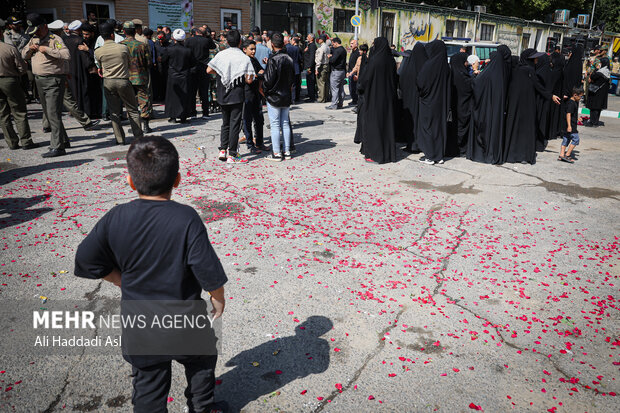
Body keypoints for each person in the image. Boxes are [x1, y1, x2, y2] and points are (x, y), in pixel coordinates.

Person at [74, 136, 228, 413]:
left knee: (148, 386)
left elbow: (86, 260)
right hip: (185, 321)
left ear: (131, 182)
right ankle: (202, 408)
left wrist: (122, 280)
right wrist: (218, 298)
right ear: (177, 179)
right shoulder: (186, 218)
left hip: (141, 325)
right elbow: (206, 267)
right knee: (201, 363)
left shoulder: (116, 217)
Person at [22, 13, 71, 158]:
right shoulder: (34, 38)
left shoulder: (55, 39)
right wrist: (30, 49)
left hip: (53, 80)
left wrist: (47, 50)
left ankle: (57, 147)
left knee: (53, 113)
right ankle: (63, 140)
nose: (35, 33)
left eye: (37, 29)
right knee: (49, 113)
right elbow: (24, 55)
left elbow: (66, 54)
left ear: (44, 26)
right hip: (39, 80)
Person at [503, 50, 560, 165]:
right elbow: (538, 87)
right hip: (527, 107)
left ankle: (510, 154)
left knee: (513, 128)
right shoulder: (529, 71)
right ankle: (523, 156)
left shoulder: (515, 69)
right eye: (535, 59)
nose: (536, 61)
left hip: (514, 107)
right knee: (525, 131)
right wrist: (551, 96)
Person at [207, 30, 255, 163]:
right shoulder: (244, 57)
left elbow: (209, 70)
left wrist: (223, 72)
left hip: (222, 92)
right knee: (235, 123)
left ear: (227, 41)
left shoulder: (221, 54)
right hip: (237, 93)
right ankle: (232, 154)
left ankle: (222, 149)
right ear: (240, 42)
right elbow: (249, 80)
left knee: (225, 122)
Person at [95, 22, 143, 144]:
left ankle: (120, 139)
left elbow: (99, 67)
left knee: (114, 112)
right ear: (112, 35)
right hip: (123, 81)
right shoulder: (123, 48)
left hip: (108, 82)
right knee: (132, 110)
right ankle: (138, 137)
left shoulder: (98, 51)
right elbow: (129, 64)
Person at [467, 45, 512, 164]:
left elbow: (476, 85)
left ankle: (482, 154)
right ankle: (492, 154)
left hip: (485, 108)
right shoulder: (502, 73)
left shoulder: (488, 72)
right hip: (497, 109)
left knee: (484, 129)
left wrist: (475, 75)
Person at [356, 37, 397, 164]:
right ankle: (387, 154)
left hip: (374, 98)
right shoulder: (391, 61)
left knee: (374, 126)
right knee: (386, 126)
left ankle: (374, 155)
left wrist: (360, 88)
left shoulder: (374, 61)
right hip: (388, 99)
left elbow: (364, 81)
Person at [416, 39, 450, 165]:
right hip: (442, 103)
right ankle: (439, 155)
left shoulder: (429, 65)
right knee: (439, 128)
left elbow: (420, 82)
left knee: (428, 127)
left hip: (429, 102)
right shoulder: (445, 66)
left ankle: (430, 156)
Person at [0, 39, 37, 150]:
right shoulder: (9, 48)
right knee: (19, 111)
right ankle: (26, 141)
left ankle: (12, 142)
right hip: (9, 80)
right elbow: (21, 67)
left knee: (2, 114)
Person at [263, 32, 295, 161]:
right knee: (285, 123)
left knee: (275, 124)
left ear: (272, 44)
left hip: (274, 95)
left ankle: (276, 152)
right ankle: (287, 151)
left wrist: (265, 90)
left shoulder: (273, 59)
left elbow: (268, 80)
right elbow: (293, 79)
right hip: (286, 94)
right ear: (283, 43)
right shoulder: (289, 58)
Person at [121, 21, 152, 133]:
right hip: (140, 77)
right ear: (135, 31)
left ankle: (134, 126)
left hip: (126, 78)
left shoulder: (120, 45)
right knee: (144, 101)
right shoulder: (142, 45)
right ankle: (146, 126)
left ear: (124, 31)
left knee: (129, 102)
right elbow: (148, 62)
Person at [162, 29, 194, 124]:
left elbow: (164, 61)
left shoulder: (169, 49)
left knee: (172, 96)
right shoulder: (188, 51)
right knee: (184, 95)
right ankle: (183, 116)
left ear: (173, 38)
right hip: (184, 75)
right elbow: (193, 63)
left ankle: (172, 117)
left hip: (173, 75)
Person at [185, 27, 216, 118]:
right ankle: (205, 113)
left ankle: (193, 112)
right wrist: (208, 36)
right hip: (204, 68)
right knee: (204, 91)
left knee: (192, 91)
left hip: (192, 67)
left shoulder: (189, 40)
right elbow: (213, 46)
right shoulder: (206, 40)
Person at [241, 39, 265, 153]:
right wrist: (257, 75)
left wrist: (258, 75)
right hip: (247, 94)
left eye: (255, 49)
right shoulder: (244, 61)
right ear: (244, 49)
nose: (254, 51)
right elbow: (249, 78)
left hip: (256, 93)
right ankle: (250, 145)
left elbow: (261, 71)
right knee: (247, 120)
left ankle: (259, 142)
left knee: (259, 119)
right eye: (251, 49)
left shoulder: (254, 59)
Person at [449, 51, 473, 157]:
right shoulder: (464, 76)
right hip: (463, 107)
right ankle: (461, 149)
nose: (467, 63)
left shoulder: (450, 75)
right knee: (461, 128)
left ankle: (452, 148)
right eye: (465, 61)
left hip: (453, 107)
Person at [559, 87, 584, 163]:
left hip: (568, 124)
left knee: (566, 138)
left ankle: (562, 155)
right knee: (576, 139)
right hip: (571, 125)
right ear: (575, 95)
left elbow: (572, 114)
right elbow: (568, 114)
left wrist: (577, 119)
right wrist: (569, 126)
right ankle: (568, 154)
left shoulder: (571, 102)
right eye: (580, 96)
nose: (581, 98)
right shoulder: (571, 103)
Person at [534, 53, 554, 151]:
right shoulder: (549, 71)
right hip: (546, 101)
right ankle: (539, 144)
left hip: (538, 101)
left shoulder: (539, 73)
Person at [585, 57, 611, 127]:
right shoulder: (607, 72)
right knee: (598, 108)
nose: (599, 64)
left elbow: (593, 76)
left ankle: (592, 122)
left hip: (596, 92)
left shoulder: (600, 72)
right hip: (602, 93)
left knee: (593, 107)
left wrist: (596, 69)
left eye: (600, 63)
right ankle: (595, 122)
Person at [327, 37, 346, 110]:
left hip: (336, 71)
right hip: (342, 71)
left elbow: (332, 61)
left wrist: (329, 57)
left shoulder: (338, 50)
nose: (332, 45)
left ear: (336, 43)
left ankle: (334, 105)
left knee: (334, 89)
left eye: (333, 44)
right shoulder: (343, 49)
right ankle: (340, 103)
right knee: (341, 88)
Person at [285, 36, 302, 103]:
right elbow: (300, 58)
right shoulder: (296, 49)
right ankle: (294, 99)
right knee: (295, 84)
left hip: (289, 68)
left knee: (289, 84)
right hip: (296, 67)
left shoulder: (286, 48)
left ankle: (289, 99)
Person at [315, 34, 329, 103]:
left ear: (322, 40)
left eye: (319, 39)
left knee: (320, 83)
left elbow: (319, 59)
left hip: (321, 66)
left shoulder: (321, 48)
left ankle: (321, 98)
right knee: (325, 83)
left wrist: (317, 68)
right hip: (327, 66)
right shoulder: (327, 47)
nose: (318, 40)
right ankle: (326, 97)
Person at [303, 33, 317, 102]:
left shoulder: (312, 46)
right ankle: (310, 94)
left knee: (311, 82)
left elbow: (312, 57)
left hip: (310, 67)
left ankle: (312, 97)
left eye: (308, 37)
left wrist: (309, 67)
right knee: (309, 82)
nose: (307, 38)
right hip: (308, 66)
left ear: (311, 38)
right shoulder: (309, 45)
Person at [347, 39, 360, 107]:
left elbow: (357, 65)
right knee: (351, 87)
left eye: (352, 43)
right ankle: (353, 100)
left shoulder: (358, 53)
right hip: (350, 72)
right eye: (350, 43)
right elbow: (350, 63)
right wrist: (348, 72)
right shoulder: (352, 52)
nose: (351, 45)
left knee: (354, 88)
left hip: (354, 72)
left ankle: (355, 100)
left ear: (356, 44)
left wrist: (354, 73)